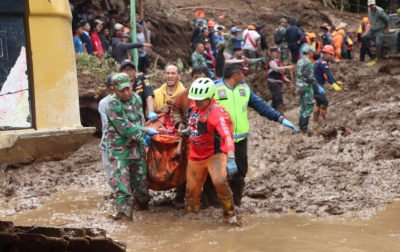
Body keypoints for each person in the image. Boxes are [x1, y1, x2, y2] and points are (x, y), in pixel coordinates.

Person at [214, 59, 296, 206]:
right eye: (242, 73)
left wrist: (280, 118)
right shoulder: (214, 88)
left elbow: (261, 106)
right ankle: (215, 206)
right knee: (220, 175)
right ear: (235, 75)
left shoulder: (244, 89)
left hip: (240, 140)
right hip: (218, 140)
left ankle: (236, 204)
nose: (244, 75)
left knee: (240, 173)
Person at [183, 77, 238, 224]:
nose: (198, 102)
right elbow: (195, 122)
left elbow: (227, 136)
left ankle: (230, 214)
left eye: (201, 99)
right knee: (191, 191)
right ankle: (191, 218)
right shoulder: (193, 106)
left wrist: (231, 157)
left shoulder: (217, 113)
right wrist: (188, 130)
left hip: (214, 154)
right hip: (195, 155)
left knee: (220, 181)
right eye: (195, 99)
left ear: (210, 97)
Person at [106, 73, 159, 220]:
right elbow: (125, 128)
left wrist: (143, 131)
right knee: (123, 188)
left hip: (136, 148)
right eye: (122, 90)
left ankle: (143, 208)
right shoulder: (113, 104)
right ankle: (124, 218)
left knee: (142, 186)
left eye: (128, 88)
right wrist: (144, 133)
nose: (126, 93)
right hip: (119, 150)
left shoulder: (136, 98)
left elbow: (139, 120)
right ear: (114, 89)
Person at [313, 45, 342, 121]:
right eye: (331, 55)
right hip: (317, 85)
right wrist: (333, 85)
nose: (332, 56)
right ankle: (323, 120)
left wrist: (335, 81)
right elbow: (327, 75)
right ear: (326, 54)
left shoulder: (319, 61)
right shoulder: (323, 63)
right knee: (324, 101)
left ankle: (315, 119)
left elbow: (328, 74)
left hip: (315, 84)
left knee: (319, 102)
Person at [296, 46, 321, 133]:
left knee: (303, 105)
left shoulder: (299, 61)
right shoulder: (309, 63)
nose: (313, 53)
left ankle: (301, 125)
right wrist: (317, 86)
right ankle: (304, 127)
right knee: (309, 104)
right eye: (312, 52)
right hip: (306, 86)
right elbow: (310, 77)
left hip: (299, 86)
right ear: (309, 52)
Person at [98, 74, 115, 189]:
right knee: (109, 171)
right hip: (109, 139)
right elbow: (108, 123)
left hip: (126, 139)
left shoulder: (130, 99)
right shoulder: (104, 103)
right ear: (110, 88)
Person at [266, 47, 294, 114]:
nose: (278, 54)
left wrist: (286, 80)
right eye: (277, 52)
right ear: (272, 53)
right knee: (279, 99)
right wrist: (286, 67)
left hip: (277, 82)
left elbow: (280, 73)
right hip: (273, 82)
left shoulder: (277, 61)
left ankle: (269, 113)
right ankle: (280, 115)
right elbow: (276, 69)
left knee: (275, 100)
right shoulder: (272, 61)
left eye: (278, 52)